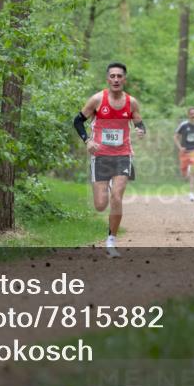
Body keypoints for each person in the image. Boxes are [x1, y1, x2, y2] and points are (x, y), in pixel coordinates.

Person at [72, 62, 146, 257]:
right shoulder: (97, 100)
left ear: (124, 79)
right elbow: (77, 120)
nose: (116, 79)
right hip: (101, 155)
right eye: (112, 76)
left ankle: (111, 240)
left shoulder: (131, 102)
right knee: (100, 204)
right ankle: (106, 191)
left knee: (117, 197)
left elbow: (139, 122)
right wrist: (87, 141)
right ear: (107, 79)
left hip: (123, 154)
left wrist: (140, 130)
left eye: (119, 76)